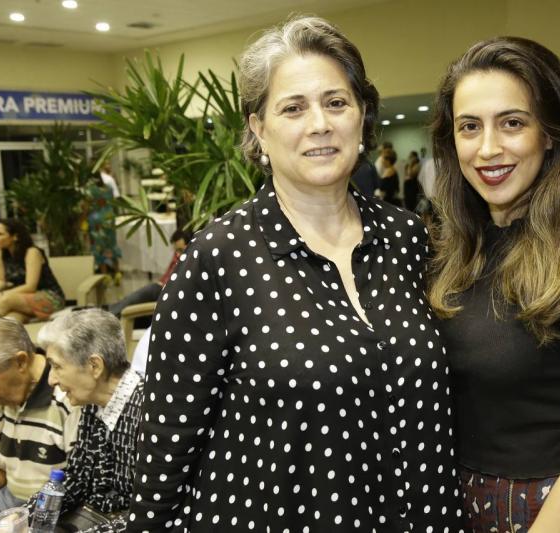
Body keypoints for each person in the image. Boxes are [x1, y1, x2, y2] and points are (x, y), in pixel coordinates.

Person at [126, 16, 463, 532]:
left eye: (336, 102)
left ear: (362, 115)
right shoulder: (218, 258)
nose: (320, 123)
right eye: (293, 108)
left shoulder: (409, 239)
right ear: (258, 129)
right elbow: (167, 441)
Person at [429, 36, 560, 532]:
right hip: (453, 504)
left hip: (547, 513)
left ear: (549, 133)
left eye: (512, 123)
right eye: (469, 127)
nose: (488, 148)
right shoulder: (450, 253)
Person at [28, 309, 142, 532]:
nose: (51, 380)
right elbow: (77, 477)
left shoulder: (149, 413)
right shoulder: (93, 403)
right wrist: (30, 514)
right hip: (95, 518)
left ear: (94, 366)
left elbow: (150, 511)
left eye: (57, 366)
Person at [0, 317, 80, 525]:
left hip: (55, 507)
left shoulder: (68, 397)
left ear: (20, 362)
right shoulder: (0, 398)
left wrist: (30, 515)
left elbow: (79, 482)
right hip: (9, 497)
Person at [0, 219, 65, 322]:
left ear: (15, 236)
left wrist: (1, 295)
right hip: (20, 297)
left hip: (49, 297)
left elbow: (30, 286)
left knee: (5, 300)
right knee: (11, 318)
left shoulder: (32, 252)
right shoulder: (1, 251)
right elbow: (0, 280)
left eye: (0, 234)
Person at [107, 229, 191, 317]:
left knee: (141, 295)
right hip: (161, 286)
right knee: (133, 298)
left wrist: (163, 285)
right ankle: (110, 311)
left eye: (180, 250)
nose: (178, 254)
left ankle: (110, 314)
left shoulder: (192, 262)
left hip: (168, 291)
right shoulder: (178, 255)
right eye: (176, 250)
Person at [85, 174, 122, 276]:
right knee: (111, 244)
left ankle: (104, 274)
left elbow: (88, 205)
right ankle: (117, 272)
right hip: (109, 216)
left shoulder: (92, 190)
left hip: (97, 218)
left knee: (99, 246)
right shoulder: (109, 188)